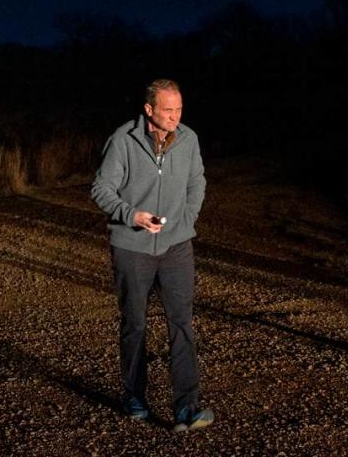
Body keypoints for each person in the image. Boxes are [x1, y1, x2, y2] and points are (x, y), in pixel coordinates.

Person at [90, 79, 214, 432]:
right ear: (149, 110)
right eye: (168, 110)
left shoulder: (188, 139)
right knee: (135, 323)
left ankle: (187, 407)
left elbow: (197, 182)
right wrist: (132, 216)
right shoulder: (123, 140)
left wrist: (186, 219)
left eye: (179, 109)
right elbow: (101, 188)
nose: (175, 116)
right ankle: (135, 397)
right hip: (132, 247)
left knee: (182, 324)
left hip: (177, 247)